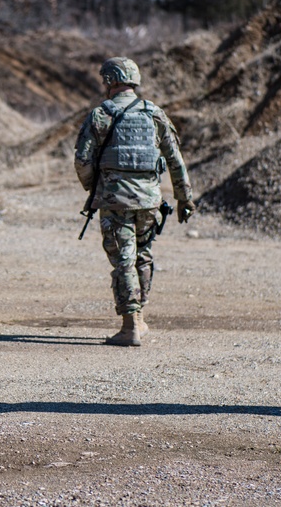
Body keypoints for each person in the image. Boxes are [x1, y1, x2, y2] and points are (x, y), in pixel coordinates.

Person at [74, 57, 196, 347]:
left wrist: (94, 187)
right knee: (142, 255)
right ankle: (140, 319)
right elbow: (176, 160)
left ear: (110, 81)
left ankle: (130, 324)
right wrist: (184, 198)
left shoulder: (101, 114)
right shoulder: (154, 113)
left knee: (123, 260)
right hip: (150, 202)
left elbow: (82, 159)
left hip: (115, 201)